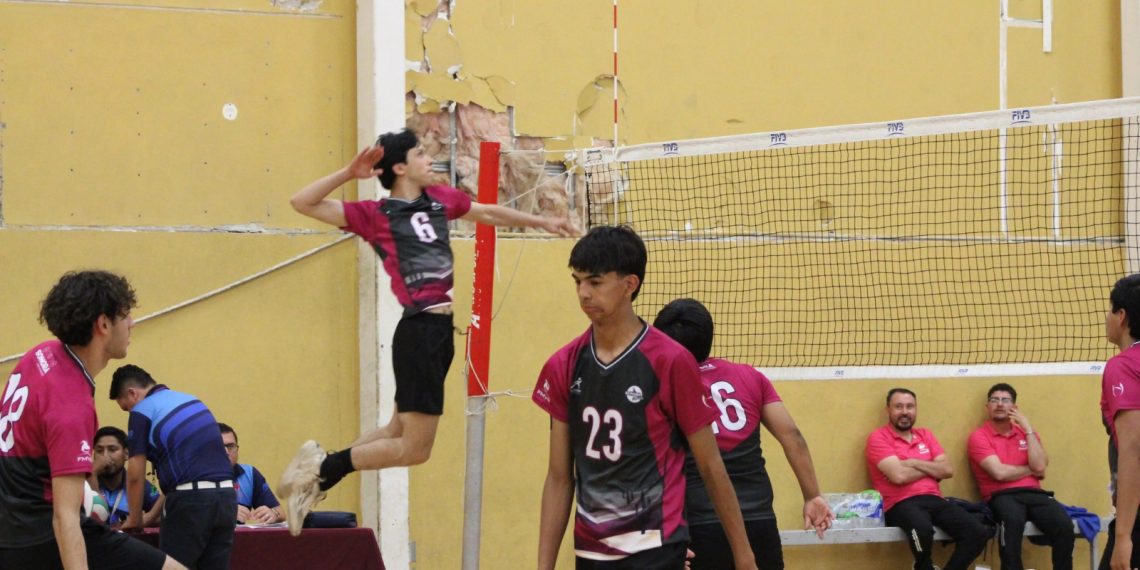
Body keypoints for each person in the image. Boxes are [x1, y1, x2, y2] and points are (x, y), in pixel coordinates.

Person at [278, 128, 578, 535]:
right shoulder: (375, 215)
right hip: (419, 330)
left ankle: (318, 476)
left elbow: (487, 212)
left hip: (435, 333)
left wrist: (540, 220)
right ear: (400, 167)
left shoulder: (440, 200)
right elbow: (303, 202)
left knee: (394, 431)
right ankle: (321, 470)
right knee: (415, 450)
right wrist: (350, 172)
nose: (429, 160)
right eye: (420, 154)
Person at [532, 226, 758, 570]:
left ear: (629, 285)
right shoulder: (563, 364)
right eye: (577, 281)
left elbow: (711, 466)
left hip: (657, 549)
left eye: (594, 282)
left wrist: (744, 557)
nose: (583, 293)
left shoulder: (670, 361)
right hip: (592, 552)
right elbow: (560, 477)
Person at [0, 270, 183, 570]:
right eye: (125, 315)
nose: (132, 323)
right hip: (41, 537)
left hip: (12, 530)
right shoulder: (71, 401)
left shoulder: (38, 355)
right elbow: (66, 517)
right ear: (103, 324)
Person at [652, 298, 832, 569]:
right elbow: (793, 437)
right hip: (758, 521)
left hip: (700, 525)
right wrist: (812, 495)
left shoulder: (659, 386)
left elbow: (649, 466)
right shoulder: (750, 375)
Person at [110, 364, 236, 570]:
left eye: (126, 408)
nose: (129, 413)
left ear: (132, 393)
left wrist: (134, 519)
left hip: (190, 504)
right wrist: (150, 517)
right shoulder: (192, 400)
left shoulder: (142, 410)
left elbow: (135, 474)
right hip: (227, 498)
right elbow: (182, 481)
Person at [865, 388, 988, 570]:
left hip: (934, 500)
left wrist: (913, 462)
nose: (905, 411)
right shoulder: (878, 438)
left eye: (910, 406)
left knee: (977, 533)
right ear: (888, 410)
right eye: (898, 407)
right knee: (922, 530)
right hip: (899, 504)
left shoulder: (926, 435)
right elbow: (898, 476)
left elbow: (947, 470)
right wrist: (931, 467)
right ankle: (923, 566)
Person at [966, 382, 1074, 570]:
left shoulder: (1026, 434)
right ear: (987, 407)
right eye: (994, 400)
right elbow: (999, 473)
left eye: (1005, 400)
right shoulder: (979, 437)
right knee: (1012, 523)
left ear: (1014, 408)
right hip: (1001, 496)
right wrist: (1030, 469)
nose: (1000, 404)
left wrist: (1028, 429)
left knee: (1064, 526)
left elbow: (1039, 465)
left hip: (1035, 494)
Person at [1101, 273, 1140, 570]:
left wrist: (1124, 536)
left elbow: (1134, 449)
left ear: (1122, 316)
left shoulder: (1123, 367)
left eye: (1110, 309)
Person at [90, 426, 164, 528]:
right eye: (99, 450)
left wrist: (138, 521)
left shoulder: (138, 483)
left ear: (126, 454)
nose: (105, 456)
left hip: (124, 540)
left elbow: (163, 514)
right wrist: (92, 473)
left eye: (112, 449)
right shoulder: (84, 483)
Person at [217, 423, 283, 525]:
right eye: (220, 446)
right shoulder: (193, 475)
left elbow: (281, 512)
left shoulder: (250, 474)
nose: (226, 452)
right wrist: (225, 512)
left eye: (231, 446)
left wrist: (273, 514)